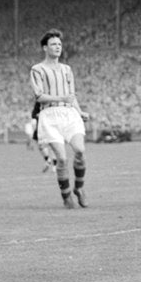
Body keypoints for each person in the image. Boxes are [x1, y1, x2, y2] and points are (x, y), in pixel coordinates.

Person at [30, 29, 88, 208]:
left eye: (59, 44)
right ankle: (66, 196)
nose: (58, 47)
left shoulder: (66, 69)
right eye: (54, 44)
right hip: (49, 115)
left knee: (79, 150)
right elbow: (39, 96)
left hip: (69, 113)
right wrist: (61, 99)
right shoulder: (37, 69)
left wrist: (79, 111)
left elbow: (72, 96)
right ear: (45, 48)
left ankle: (79, 188)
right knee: (62, 159)